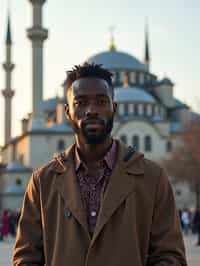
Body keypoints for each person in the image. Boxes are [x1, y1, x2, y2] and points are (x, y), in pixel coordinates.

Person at [13, 63, 187, 266]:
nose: (92, 110)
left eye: (101, 101)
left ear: (114, 108)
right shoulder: (43, 182)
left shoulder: (152, 178)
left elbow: (170, 256)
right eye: (81, 102)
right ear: (67, 112)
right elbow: (26, 258)